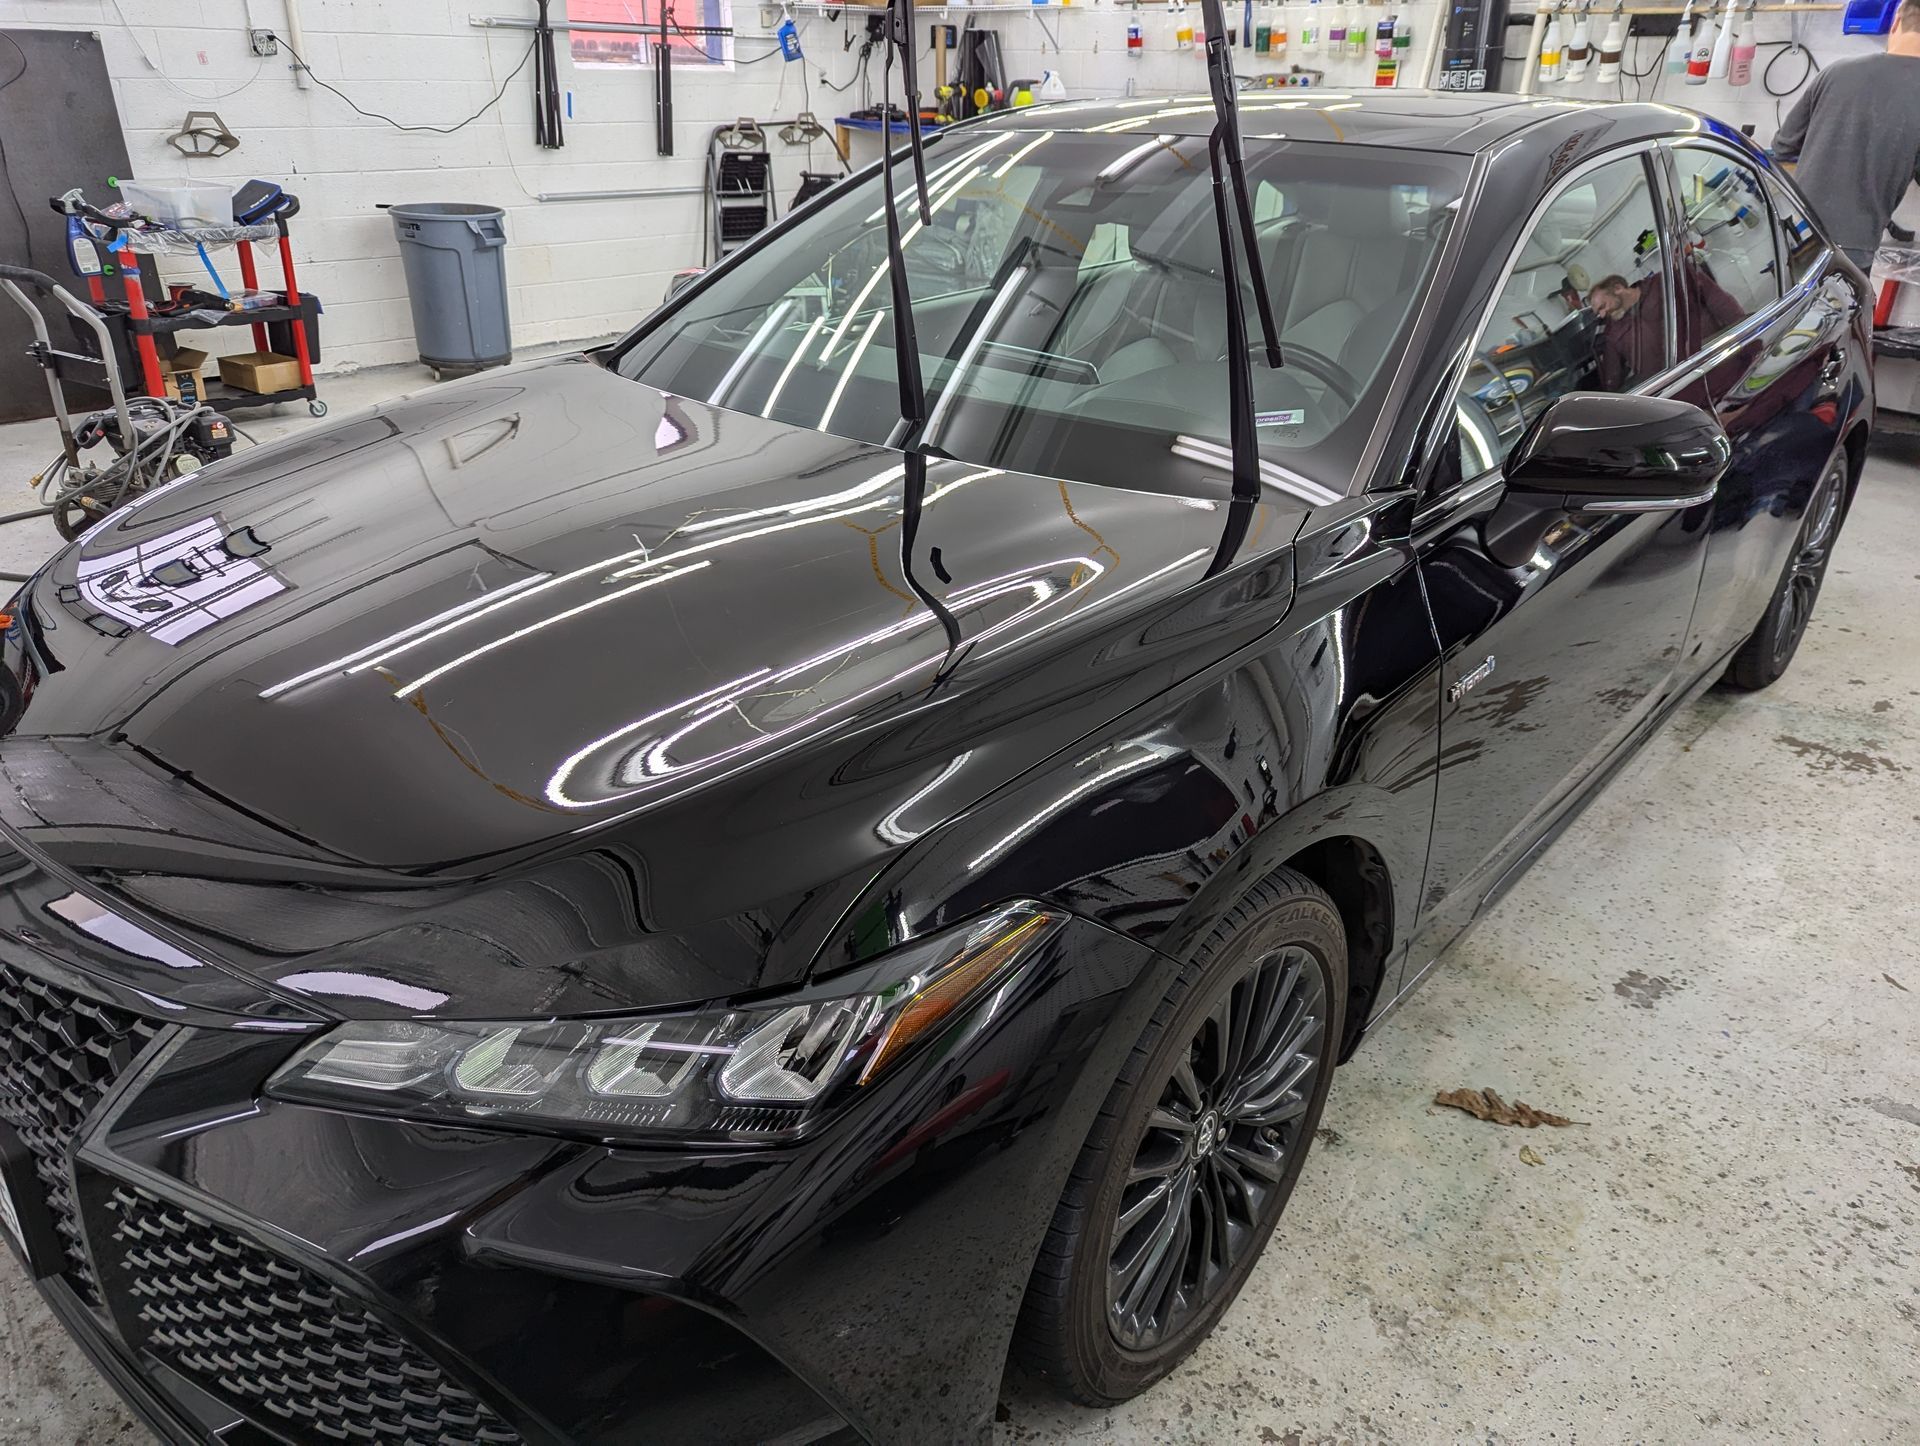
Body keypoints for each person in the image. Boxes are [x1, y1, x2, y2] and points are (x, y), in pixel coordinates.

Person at [1771, 0, 1920, 269]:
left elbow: (1783, 147)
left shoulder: (1836, 71)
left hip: (1793, 231)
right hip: (1853, 247)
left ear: (1896, 22)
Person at [1586, 267, 1744, 390]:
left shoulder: (1668, 282)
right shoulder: (1613, 334)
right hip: (1683, 393)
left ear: (1618, 288)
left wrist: (1747, 342)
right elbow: (1612, 381)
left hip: (1722, 364)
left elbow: (1724, 306)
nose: (1602, 314)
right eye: (1598, 312)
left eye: (1603, 306)